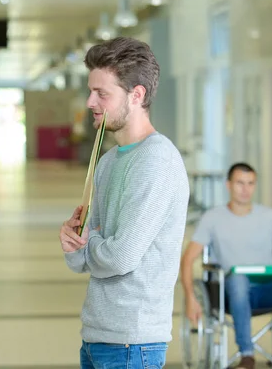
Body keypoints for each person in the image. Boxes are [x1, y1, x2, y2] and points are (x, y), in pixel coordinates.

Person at [59, 37, 190, 369]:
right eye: (91, 91)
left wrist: (92, 242)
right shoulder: (109, 161)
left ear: (137, 95)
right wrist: (75, 244)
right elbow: (83, 259)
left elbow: (121, 257)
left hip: (133, 342)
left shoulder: (156, 160)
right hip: (98, 334)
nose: (90, 102)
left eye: (102, 93)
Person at [180, 163, 272, 369]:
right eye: (240, 183)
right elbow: (188, 259)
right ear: (228, 185)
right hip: (231, 292)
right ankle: (247, 355)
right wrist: (190, 297)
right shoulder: (212, 218)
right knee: (238, 279)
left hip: (267, 291)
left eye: (250, 183)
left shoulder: (270, 216)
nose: (245, 189)